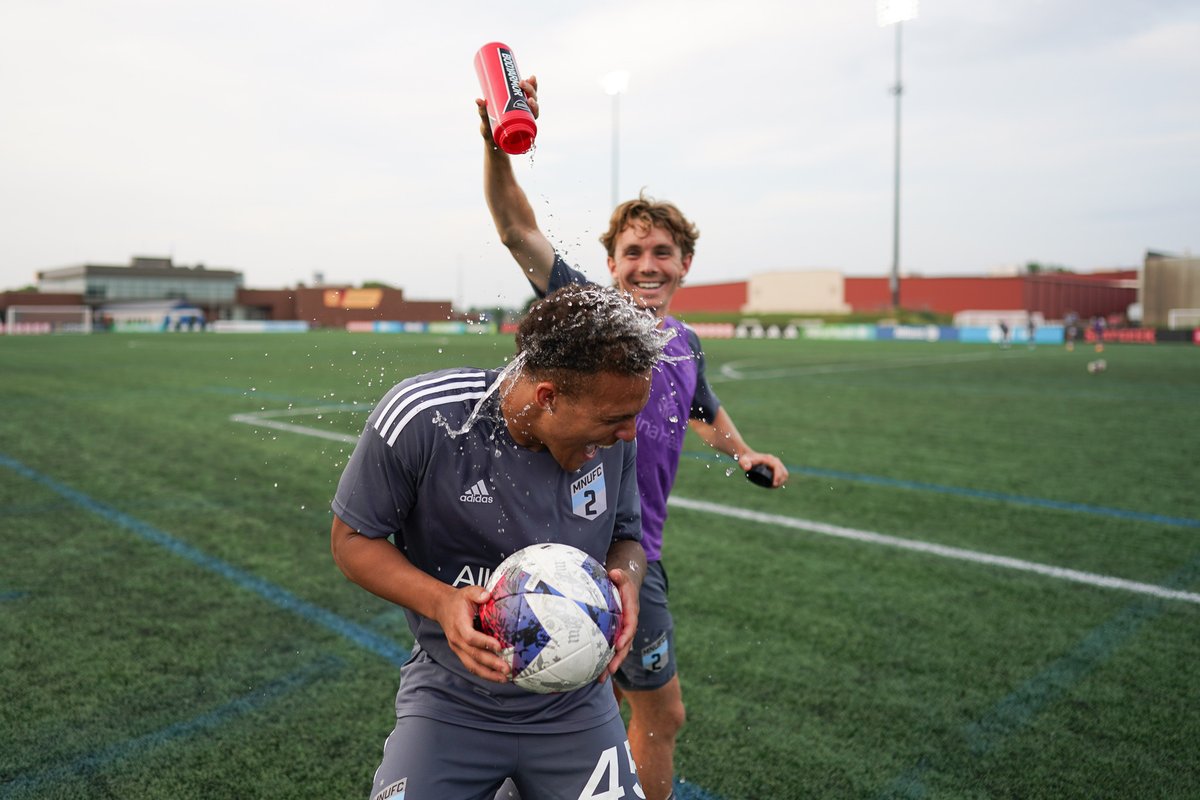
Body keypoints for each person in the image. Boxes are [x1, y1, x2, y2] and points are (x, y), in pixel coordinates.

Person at [479, 76, 789, 800]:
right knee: (628, 715)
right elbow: (517, 231)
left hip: (636, 550)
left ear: (685, 263)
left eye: (663, 252)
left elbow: (703, 411)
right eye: (633, 252)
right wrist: (496, 146)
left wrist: (744, 452)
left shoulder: (684, 343)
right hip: (565, 556)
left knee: (618, 711)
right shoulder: (587, 314)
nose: (648, 265)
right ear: (611, 264)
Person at [331, 283, 672, 800]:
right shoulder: (427, 418)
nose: (629, 433)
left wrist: (627, 579)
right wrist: (441, 602)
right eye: (613, 420)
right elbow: (352, 539)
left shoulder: (613, 439)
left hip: (576, 705)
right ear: (547, 397)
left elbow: (626, 539)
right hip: (452, 701)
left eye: (633, 417)